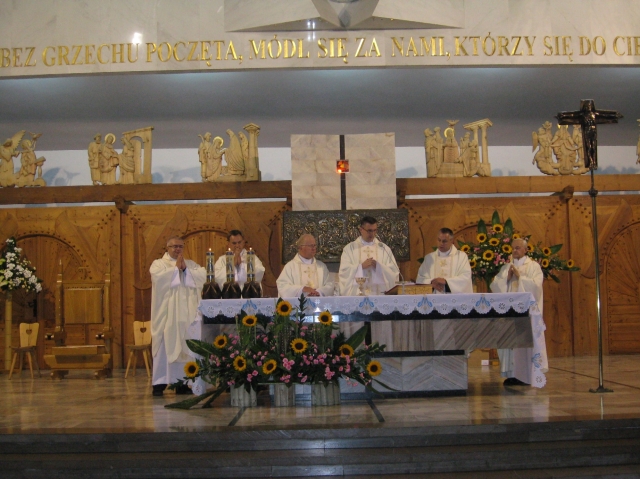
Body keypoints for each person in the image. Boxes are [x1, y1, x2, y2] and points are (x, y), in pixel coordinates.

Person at [150, 236, 206, 396]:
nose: (177, 249)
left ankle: (181, 384)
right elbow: (158, 278)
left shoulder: (190, 264)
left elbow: (202, 275)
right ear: (167, 248)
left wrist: (186, 270)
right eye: (174, 246)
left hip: (187, 316)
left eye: (180, 246)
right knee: (164, 346)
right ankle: (159, 384)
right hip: (167, 316)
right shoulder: (159, 264)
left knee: (186, 347)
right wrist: (175, 270)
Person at [490, 237, 546, 386]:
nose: (514, 250)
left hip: (526, 314)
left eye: (518, 248)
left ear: (526, 250)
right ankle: (512, 374)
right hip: (509, 313)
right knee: (509, 342)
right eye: (513, 248)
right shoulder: (506, 268)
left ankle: (526, 375)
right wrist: (506, 279)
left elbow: (537, 287)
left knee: (524, 343)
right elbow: (494, 286)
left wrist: (521, 277)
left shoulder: (533, 267)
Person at [338, 216, 400, 296]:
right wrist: (361, 267)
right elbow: (344, 272)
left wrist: (379, 267)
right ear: (361, 230)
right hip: (357, 295)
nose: (372, 234)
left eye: (375, 230)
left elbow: (393, 272)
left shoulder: (384, 249)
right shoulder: (350, 249)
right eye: (369, 231)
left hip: (379, 294)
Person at [416, 227, 472, 293]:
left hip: (453, 297)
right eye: (439, 240)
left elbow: (466, 277)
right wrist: (432, 282)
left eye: (444, 241)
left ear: (451, 241)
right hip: (434, 297)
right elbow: (420, 278)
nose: (441, 243)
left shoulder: (461, 257)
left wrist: (446, 281)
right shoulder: (429, 258)